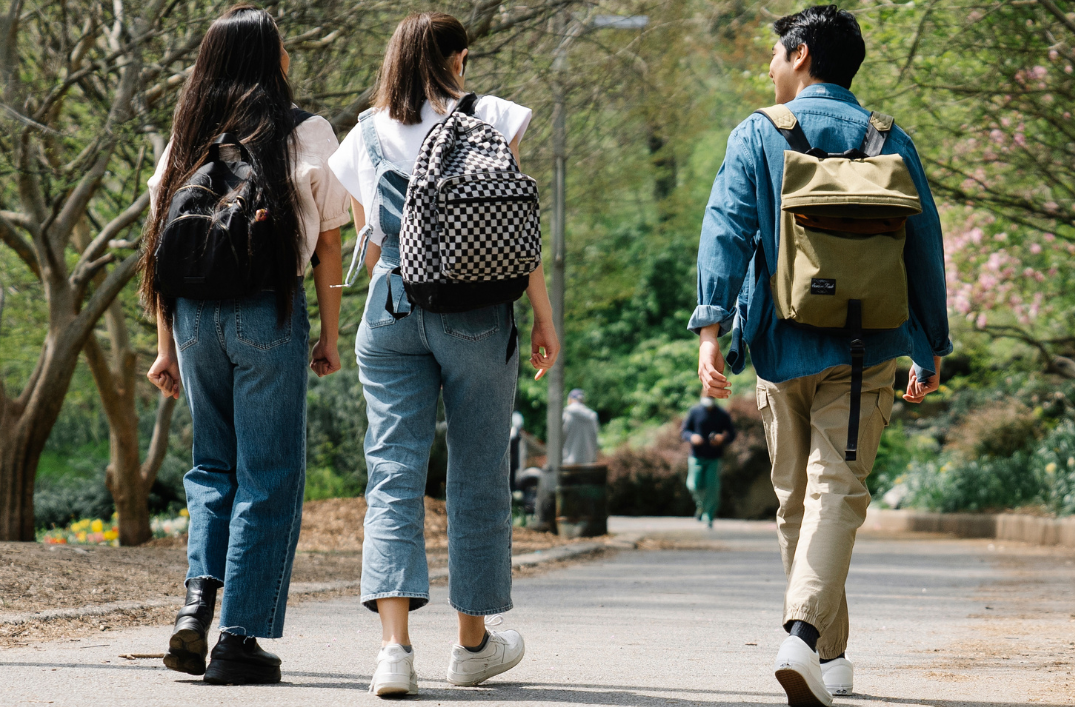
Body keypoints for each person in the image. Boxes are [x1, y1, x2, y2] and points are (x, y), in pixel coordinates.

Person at [691, 6, 949, 706]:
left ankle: (800, 635)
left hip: (779, 345)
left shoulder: (757, 134)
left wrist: (711, 327)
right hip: (867, 348)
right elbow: (923, 250)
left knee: (798, 504)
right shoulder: (889, 139)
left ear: (800, 55)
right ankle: (824, 653)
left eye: (775, 54)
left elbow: (726, 231)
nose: (768, 67)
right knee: (829, 495)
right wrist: (929, 345)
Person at [327, 12, 559, 697]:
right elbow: (517, 231)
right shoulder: (493, 117)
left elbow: (365, 225)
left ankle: (393, 652)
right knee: (480, 474)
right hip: (478, 314)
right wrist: (543, 318)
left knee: (392, 473)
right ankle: (471, 644)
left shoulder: (363, 132)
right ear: (459, 59)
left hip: (391, 305)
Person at [141, 5, 350, 686]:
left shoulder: (187, 132)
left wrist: (165, 345)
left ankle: (195, 607)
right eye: (281, 47)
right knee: (269, 473)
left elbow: (159, 246)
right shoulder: (304, 128)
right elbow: (327, 241)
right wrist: (328, 332)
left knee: (212, 467)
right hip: (269, 309)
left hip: (195, 315)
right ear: (269, 59)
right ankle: (238, 636)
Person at [681, 395, 736, 528]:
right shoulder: (695, 412)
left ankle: (708, 516)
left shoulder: (722, 414)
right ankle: (701, 507)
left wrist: (721, 438)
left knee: (712, 487)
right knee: (693, 485)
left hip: (714, 457)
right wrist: (692, 437)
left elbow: (731, 434)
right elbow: (685, 431)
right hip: (696, 456)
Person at [562, 389, 600, 465]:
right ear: (582, 400)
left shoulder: (565, 415)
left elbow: (559, 438)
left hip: (568, 463)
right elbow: (595, 438)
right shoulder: (592, 416)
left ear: (570, 399)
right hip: (588, 463)